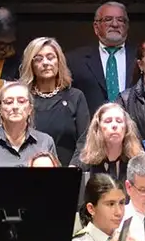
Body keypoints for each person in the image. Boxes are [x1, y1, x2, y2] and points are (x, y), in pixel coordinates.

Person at [18, 37, 91, 167]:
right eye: (38, 59)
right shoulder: (22, 99)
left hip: (69, 171)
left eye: (50, 57)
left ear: (59, 61)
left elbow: (85, 141)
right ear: (31, 65)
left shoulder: (75, 97)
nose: (45, 63)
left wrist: (74, 168)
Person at [67, 2, 138, 111]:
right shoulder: (74, 60)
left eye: (120, 20)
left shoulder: (141, 57)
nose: (115, 24)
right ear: (96, 27)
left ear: (127, 26)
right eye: (108, 19)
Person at [0, 81, 57, 167]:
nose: (15, 107)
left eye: (21, 101)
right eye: (9, 102)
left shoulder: (45, 141)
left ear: (30, 109)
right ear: (0, 109)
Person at [77, 102, 145, 181]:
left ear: (126, 128)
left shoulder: (138, 163)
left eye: (119, 121)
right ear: (98, 128)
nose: (114, 125)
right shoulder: (86, 164)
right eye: (108, 121)